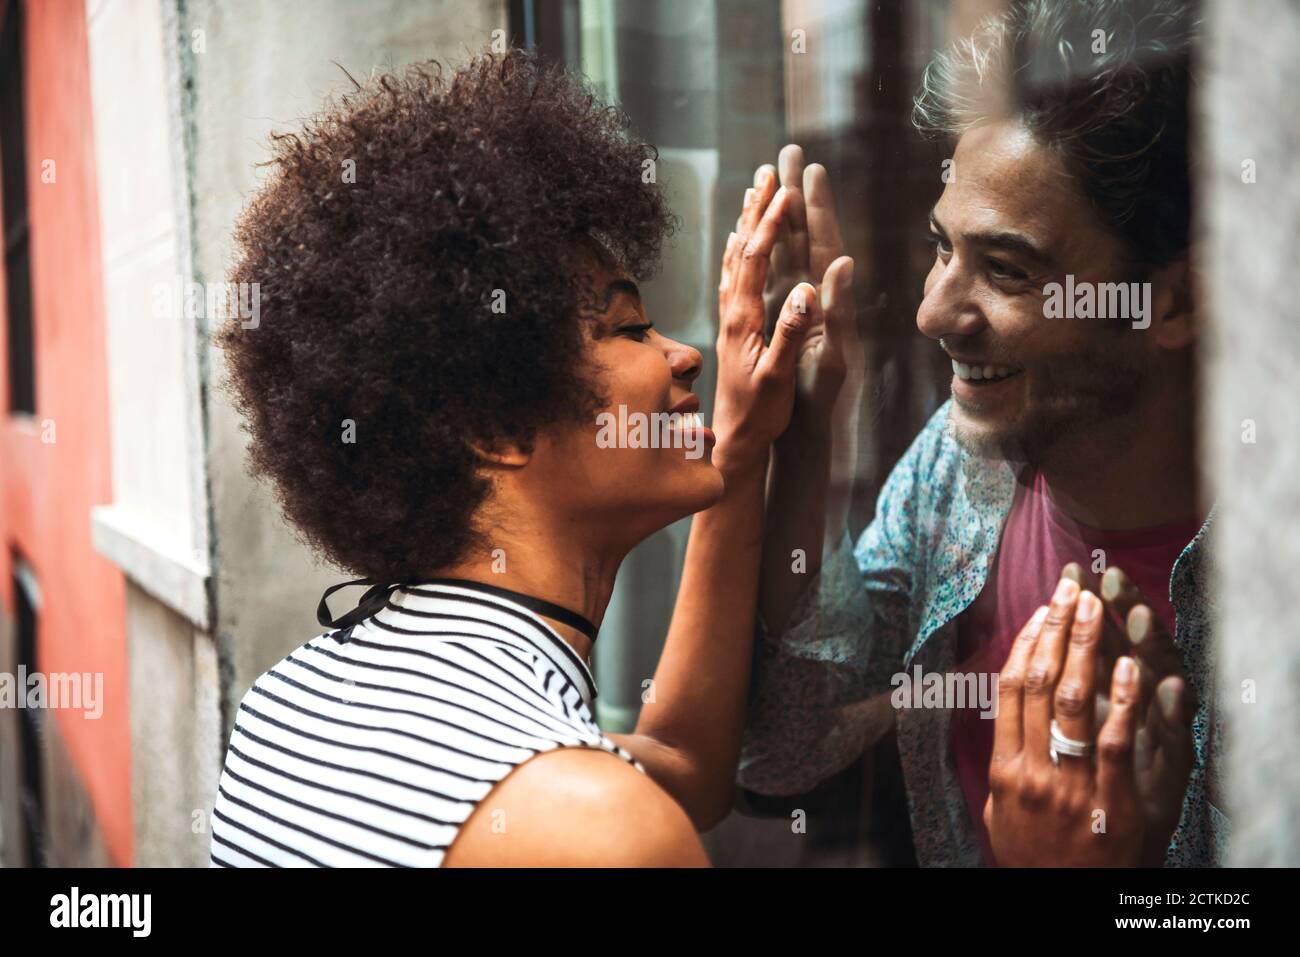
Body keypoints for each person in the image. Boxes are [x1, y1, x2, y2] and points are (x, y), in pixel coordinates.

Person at [207, 48, 840, 867]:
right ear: (496, 427)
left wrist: (743, 444)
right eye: (627, 328)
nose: (683, 355)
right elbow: (629, 813)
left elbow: (684, 769)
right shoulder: (598, 828)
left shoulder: (284, 702)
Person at [741, 0, 1221, 866]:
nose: (932, 311)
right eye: (940, 248)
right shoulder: (960, 466)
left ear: (1173, 301)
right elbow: (786, 746)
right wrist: (807, 432)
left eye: (1006, 270)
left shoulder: (1272, 577)